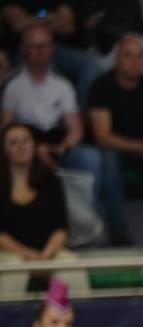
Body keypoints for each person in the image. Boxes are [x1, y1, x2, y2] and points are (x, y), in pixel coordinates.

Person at [1, 25, 103, 216]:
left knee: (91, 157)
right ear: (23, 50)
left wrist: (60, 149)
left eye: (44, 46)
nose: (39, 52)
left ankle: (88, 221)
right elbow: (6, 129)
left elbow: (75, 129)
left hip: (57, 144)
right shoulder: (13, 86)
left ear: (52, 49)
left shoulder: (62, 85)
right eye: (33, 47)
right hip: (25, 147)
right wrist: (31, 149)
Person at [87, 33, 143, 246]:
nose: (135, 61)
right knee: (108, 158)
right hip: (116, 149)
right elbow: (103, 137)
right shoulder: (101, 86)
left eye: (140, 56)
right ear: (117, 59)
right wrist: (141, 146)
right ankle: (117, 229)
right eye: (128, 56)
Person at [0, 122, 87, 297]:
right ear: (4, 149)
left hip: (48, 252)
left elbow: (61, 228)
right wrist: (28, 256)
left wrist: (45, 256)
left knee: (71, 266)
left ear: (34, 145)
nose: (21, 147)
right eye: (14, 142)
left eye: (26, 141)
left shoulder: (51, 181)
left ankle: (77, 321)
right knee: (13, 268)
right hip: (9, 254)